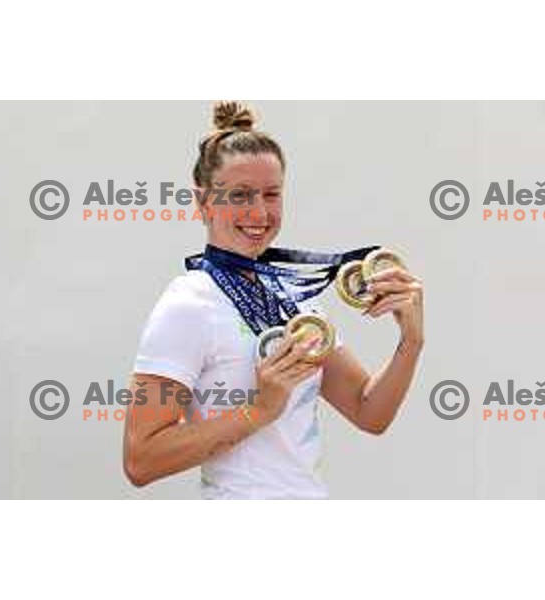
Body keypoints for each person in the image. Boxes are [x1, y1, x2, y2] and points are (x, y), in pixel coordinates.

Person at [123, 101, 424, 499]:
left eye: (271, 194)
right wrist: (259, 410)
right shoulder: (187, 304)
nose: (260, 213)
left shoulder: (296, 301)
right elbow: (141, 459)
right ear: (203, 202)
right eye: (240, 195)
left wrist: (410, 341)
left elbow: (369, 412)